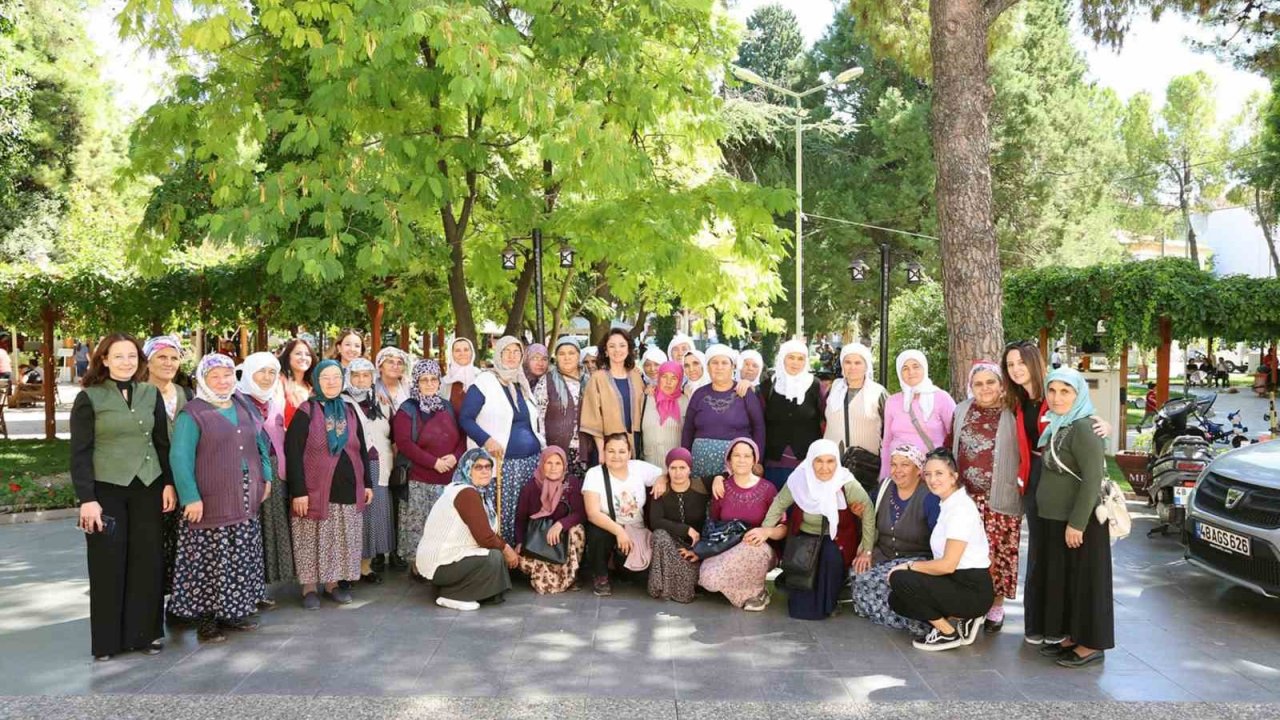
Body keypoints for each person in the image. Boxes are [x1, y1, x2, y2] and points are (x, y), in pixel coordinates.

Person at [70, 334, 176, 660]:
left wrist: (169, 484)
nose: (127, 362)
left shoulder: (149, 393)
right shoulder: (89, 398)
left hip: (148, 487)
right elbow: (80, 453)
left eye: (132, 356)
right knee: (107, 563)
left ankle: (145, 635)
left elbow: (162, 443)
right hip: (107, 491)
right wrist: (87, 498)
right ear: (104, 359)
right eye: (119, 356)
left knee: (148, 561)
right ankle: (106, 642)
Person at [1003, 341, 1111, 645]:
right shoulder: (1018, 400)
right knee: (1040, 554)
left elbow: (1082, 422)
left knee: (1060, 557)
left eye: (1020, 362)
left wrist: (1104, 424)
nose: (1015, 369)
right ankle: (1040, 625)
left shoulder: (1056, 393)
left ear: (1034, 362)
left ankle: (1060, 627)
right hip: (1035, 481)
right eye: (1010, 365)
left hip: (1061, 479)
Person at [169, 354, 272, 642]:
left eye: (228, 374)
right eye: (215, 376)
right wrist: (190, 497)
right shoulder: (193, 413)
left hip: (244, 494)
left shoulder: (242, 404)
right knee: (210, 561)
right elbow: (179, 457)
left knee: (239, 556)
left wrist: (266, 477)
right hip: (209, 499)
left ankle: (233, 612)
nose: (223, 381)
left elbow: (261, 442)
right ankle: (207, 621)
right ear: (202, 379)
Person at [1034, 368, 1114, 668]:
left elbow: (1092, 479)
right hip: (1058, 519)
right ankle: (1073, 636)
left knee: (1086, 583)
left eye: (1065, 391)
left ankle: (1091, 644)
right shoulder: (1059, 424)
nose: (1057, 398)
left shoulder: (1084, 427)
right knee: (1068, 581)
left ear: (1078, 394)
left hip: (1080, 523)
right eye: (1052, 391)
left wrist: (1077, 524)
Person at [285, 359, 373, 609]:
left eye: (336, 376)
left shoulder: (349, 409)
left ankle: (332, 583)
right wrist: (298, 491)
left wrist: (366, 483)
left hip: (347, 486)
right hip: (315, 488)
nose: (332, 382)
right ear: (316, 381)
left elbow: (361, 448)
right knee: (311, 537)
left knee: (338, 537)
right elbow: (293, 452)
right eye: (326, 377)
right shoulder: (306, 411)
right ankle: (309, 587)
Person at [887, 449, 993, 651]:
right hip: (955, 581)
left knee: (900, 579)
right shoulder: (948, 503)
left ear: (954, 476)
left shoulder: (960, 509)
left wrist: (908, 566)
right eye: (928, 474)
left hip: (972, 589)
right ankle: (963, 618)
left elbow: (947, 565)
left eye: (939, 473)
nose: (932, 479)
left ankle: (947, 633)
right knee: (897, 600)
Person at [761, 440, 876, 620]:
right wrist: (764, 532)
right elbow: (779, 504)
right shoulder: (799, 479)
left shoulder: (846, 482)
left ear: (837, 462)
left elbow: (868, 510)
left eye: (830, 461)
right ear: (810, 461)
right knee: (800, 597)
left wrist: (867, 550)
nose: (825, 468)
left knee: (830, 556)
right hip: (804, 536)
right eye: (819, 461)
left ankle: (828, 603)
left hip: (837, 537)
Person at [951, 362, 1023, 634]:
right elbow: (952, 446)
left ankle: (995, 606)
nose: (985, 388)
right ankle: (968, 605)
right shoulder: (961, 410)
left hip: (1000, 496)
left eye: (990, 382)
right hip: (965, 498)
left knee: (999, 553)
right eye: (978, 383)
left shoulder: (1013, 411)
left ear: (1001, 383)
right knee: (965, 553)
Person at [459, 336, 544, 545]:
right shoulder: (484, 382)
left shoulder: (521, 382)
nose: (512, 356)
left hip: (529, 462)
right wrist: (486, 440)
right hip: (503, 463)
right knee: (504, 511)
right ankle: (502, 556)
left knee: (524, 511)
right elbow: (465, 418)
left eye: (516, 352)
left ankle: (522, 554)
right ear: (498, 354)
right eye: (506, 351)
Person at [852, 444, 940, 635]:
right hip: (884, 553)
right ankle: (902, 617)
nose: (897, 471)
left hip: (916, 557)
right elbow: (868, 517)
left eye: (905, 465)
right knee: (857, 575)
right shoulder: (884, 487)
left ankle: (918, 622)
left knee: (879, 581)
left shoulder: (929, 497)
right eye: (894, 465)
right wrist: (866, 550)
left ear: (918, 470)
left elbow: (939, 536)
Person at [415, 448, 517, 610]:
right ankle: (453, 596)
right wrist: (507, 549)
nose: (485, 471)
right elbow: (485, 537)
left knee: (495, 557)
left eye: (488, 467)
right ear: (467, 469)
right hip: (440, 565)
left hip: (448, 561)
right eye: (478, 467)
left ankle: (451, 589)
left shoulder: (473, 491)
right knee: (495, 557)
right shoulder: (465, 493)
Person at [393, 359, 466, 576]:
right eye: (424, 380)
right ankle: (419, 567)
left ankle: (442, 564)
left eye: (433, 379)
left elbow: (462, 436)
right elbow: (405, 444)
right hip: (419, 479)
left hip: (448, 479)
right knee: (419, 525)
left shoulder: (447, 406)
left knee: (443, 525)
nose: (429, 383)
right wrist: (434, 462)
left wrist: (455, 456)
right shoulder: (408, 409)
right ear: (416, 382)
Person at [235, 351, 294, 605]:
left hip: (276, 473)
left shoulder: (274, 401)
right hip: (247, 475)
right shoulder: (235, 401)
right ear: (249, 372)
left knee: (268, 532)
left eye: (272, 372)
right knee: (249, 533)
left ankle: (258, 589)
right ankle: (245, 590)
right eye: (262, 371)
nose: (267, 377)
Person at [142, 335, 193, 606]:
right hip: (152, 478)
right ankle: (152, 605)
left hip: (185, 479)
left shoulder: (186, 394)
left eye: (174, 358)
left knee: (182, 543)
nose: (169, 363)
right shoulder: (139, 394)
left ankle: (180, 602)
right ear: (148, 361)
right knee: (154, 544)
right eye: (162, 357)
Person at [698, 438, 777, 611]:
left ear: (754, 460)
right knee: (707, 579)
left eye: (747, 456)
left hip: (759, 548)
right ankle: (744, 592)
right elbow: (714, 523)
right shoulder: (721, 487)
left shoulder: (768, 488)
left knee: (751, 547)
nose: (741, 460)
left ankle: (757, 593)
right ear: (729, 460)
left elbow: (783, 527)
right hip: (729, 546)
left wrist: (766, 532)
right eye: (737, 455)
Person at [581, 433, 663, 596]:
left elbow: (664, 474)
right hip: (610, 528)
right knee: (597, 532)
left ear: (629, 453)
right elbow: (593, 513)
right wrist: (620, 532)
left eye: (621, 451)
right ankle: (601, 575)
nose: (616, 456)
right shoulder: (595, 473)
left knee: (635, 576)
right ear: (603, 452)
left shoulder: (638, 467)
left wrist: (662, 480)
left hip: (636, 529)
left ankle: (618, 565)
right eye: (611, 451)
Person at [343, 358, 394, 584]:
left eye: (366, 375)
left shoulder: (381, 402)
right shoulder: (341, 401)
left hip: (379, 465)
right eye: (356, 375)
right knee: (353, 517)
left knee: (374, 516)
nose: (361, 380)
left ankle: (366, 567)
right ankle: (348, 569)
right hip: (353, 466)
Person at [682, 345, 765, 480]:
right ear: (707, 367)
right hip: (701, 465)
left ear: (732, 367)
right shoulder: (699, 394)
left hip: (736, 465)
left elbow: (759, 427)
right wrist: (684, 460)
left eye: (724, 363)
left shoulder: (744, 392)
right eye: (714, 363)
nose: (719, 367)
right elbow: (688, 430)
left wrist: (758, 460)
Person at [513, 446, 586, 594]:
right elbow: (520, 519)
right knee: (541, 581)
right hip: (539, 541)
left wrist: (561, 525)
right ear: (542, 464)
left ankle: (570, 576)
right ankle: (558, 577)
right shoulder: (531, 487)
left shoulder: (570, 482)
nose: (553, 468)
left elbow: (580, 513)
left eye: (558, 463)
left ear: (564, 465)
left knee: (577, 531)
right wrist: (519, 542)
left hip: (563, 538)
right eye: (549, 463)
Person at [879, 351, 956, 479]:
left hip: (931, 475)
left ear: (924, 368)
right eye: (905, 368)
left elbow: (955, 436)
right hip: (900, 475)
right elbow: (887, 442)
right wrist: (885, 475)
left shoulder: (941, 398)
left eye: (916, 366)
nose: (911, 372)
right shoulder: (892, 401)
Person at [823, 343, 888, 495]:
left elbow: (888, 428)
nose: (852, 367)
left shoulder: (878, 392)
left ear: (866, 366)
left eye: (858, 362)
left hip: (865, 466)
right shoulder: (833, 389)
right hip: (832, 464)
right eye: (848, 362)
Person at [647, 447, 709, 603]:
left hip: (695, 547)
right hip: (670, 544)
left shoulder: (700, 485)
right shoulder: (661, 489)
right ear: (667, 470)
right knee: (659, 536)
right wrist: (686, 529)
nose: (678, 472)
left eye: (682, 467)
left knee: (685, 592)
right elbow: (655, 522)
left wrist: (718, 480)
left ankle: (678, 587)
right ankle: (664, 589)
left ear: (690, 469)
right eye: (673, 468)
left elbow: (728, 475)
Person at [760, 340, 823, 490]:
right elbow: (759, 423)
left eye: (800, 358)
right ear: (782, 358)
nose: (795, 362)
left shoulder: (815, 385)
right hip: (773, 465)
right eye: (791, 357)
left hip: (807, 464)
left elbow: (824, 420)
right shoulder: (768, 386)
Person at [581, 329, 645, 460]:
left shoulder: (636, 377)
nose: (617, 350)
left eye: (622, 345)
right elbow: (592, 417)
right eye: (612, 346)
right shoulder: (597, 378)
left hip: (635, 444)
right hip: (608, 446)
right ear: (605, 350)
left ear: (628, 349)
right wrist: (601, 451)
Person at [535, 337, 587, 478]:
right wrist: (545, 448)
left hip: (585, 451)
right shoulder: (546, 381)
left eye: (571, 353)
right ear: (556, 357)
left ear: (579, 355)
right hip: (556, 452)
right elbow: (538, 418)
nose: (567, 358)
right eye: (562, 354)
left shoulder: (589, 381)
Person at [640, 361, 687, 467]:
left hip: (676, 470)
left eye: (674, 378)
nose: (668, 382)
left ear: (679, 380)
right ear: (659, 377)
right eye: (664, 377)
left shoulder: (685, 401)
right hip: (649, 466)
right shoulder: (646, 399)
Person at [276, 338, 316, 428]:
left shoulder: (312, 386)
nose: (303, 358)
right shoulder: (280, 382)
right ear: (288, 356)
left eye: (307, 354)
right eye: (298, 354)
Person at [442, 337, 480, 414]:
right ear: (451, 354)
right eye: (457, 350)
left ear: (472, 352)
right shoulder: (445, 381)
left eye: (466, 350)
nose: (462, 354)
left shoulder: (481, 377)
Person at [374, 346, 411, 412]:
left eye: (399, 363)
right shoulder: (371, 388)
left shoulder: (409, 387)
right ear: (380, 367)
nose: (395, 366)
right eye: (390, 362)